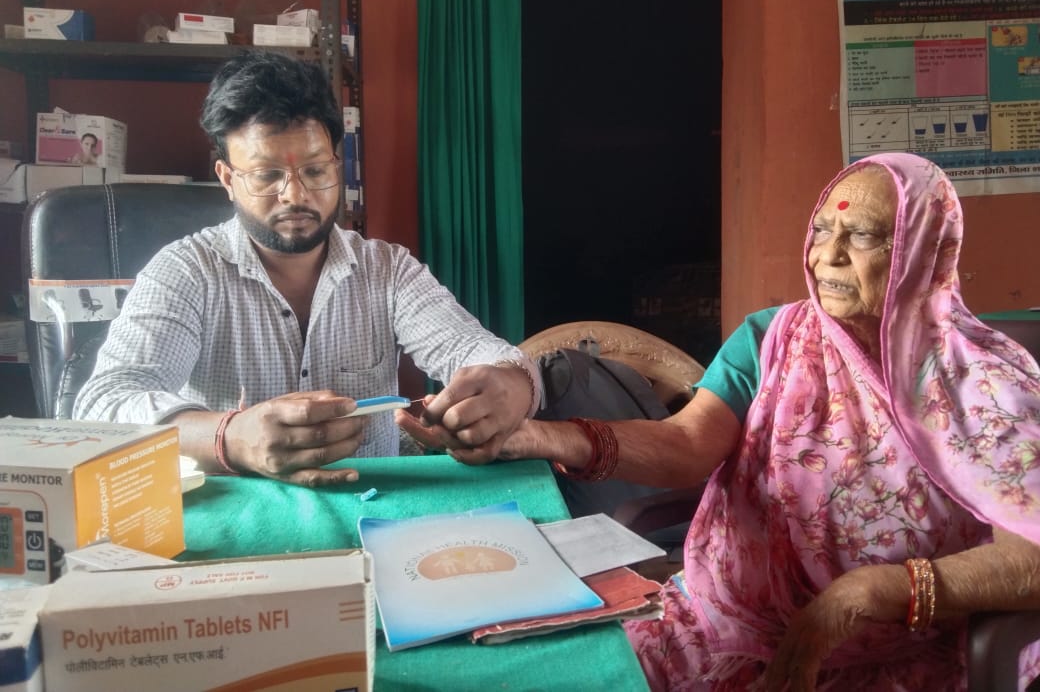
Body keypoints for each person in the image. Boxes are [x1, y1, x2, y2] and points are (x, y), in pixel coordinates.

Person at [398, 152, 1040, 690]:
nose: (829, 256)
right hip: (721, 625)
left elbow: (1033, 553)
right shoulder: (773, 339)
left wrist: (877, 591)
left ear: (926, 249)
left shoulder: (984, 382)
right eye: (822, 230)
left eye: (865, 235)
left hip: (898, 654)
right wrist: (533, 436)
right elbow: (686, 444)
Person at [74, 50, 540, 487]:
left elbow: (476, 349)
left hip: (371, 501)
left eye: (315, 171)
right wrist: (230, 437)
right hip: (240, 511)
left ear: (338, 165)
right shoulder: (186, 272)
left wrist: (513, 385)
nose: (295, 195)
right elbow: (104, 405)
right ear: (227, 179)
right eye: (267, 176)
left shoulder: (389, 270)